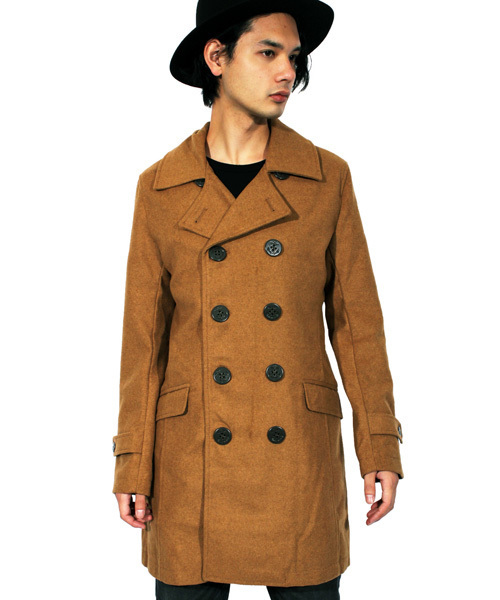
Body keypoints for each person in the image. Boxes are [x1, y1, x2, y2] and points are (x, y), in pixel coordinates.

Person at [112, 1, 404, 598]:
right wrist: (132, 460)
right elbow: (143, 341)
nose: (287, 73)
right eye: (267, 53)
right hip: (191, 460)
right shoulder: (160, 187)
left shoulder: (326, 178)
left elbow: (357, 325)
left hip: (295, 455)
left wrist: (379, 441)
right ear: (216, 57)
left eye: (293, 58)